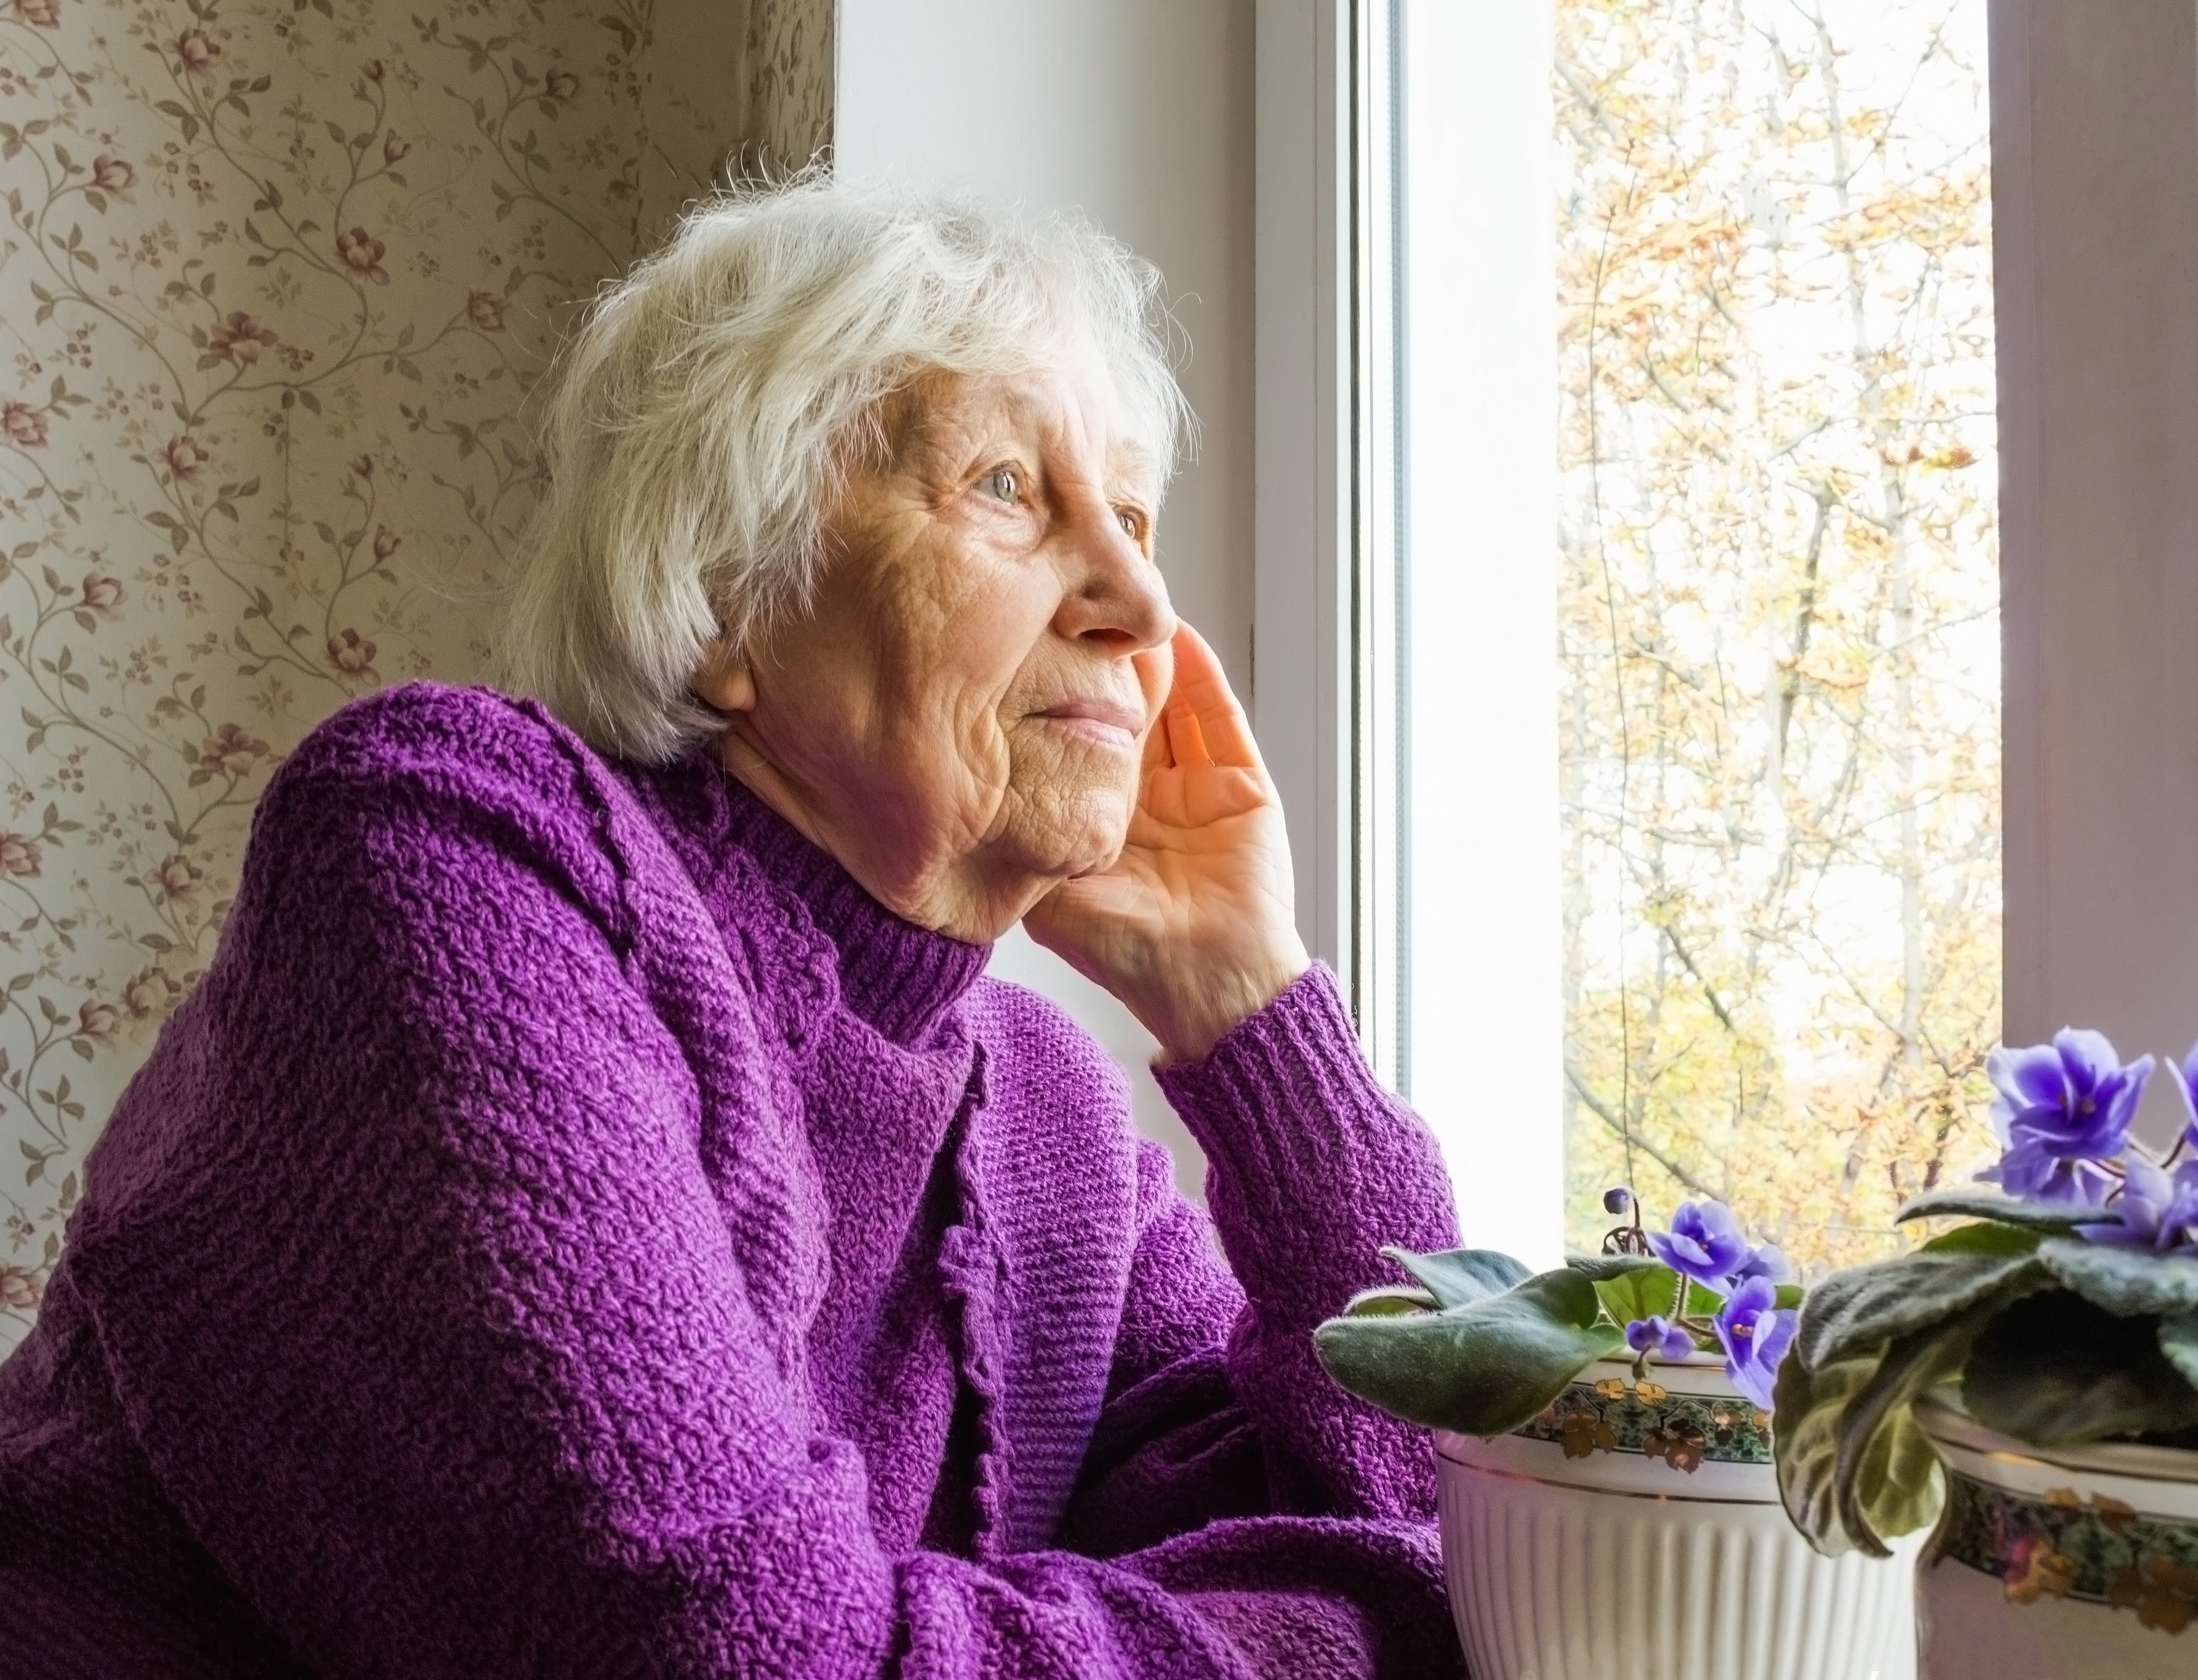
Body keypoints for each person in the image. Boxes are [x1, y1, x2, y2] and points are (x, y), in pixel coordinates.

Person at [0, 178, 1468, 1678]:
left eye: (1136, 515)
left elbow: (1444, 1519)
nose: (1144, 601)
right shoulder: (456, 852)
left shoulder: (1044, 1116)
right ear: (724, 598)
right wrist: (1388, 1635)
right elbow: (726, 1646)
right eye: (1008, 488)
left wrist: (1251, 1007)